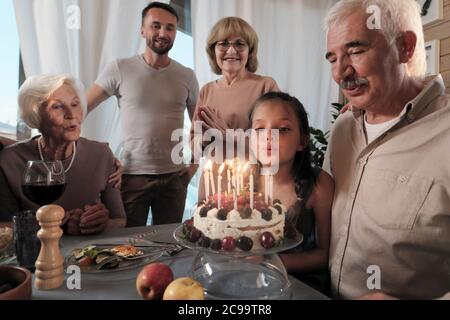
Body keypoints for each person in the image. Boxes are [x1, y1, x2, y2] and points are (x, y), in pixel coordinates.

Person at [323, 0, 450, 299]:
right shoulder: (342, 129)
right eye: (332, 58)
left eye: (355, 51)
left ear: (405, 47)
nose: (341, 73)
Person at [86, 2, 199, 227]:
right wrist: (102, 157)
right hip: (130, 176)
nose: (162, 33)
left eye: (170, 28)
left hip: (174, 179)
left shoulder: (186, 75)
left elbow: (199, 126)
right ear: (142, 30)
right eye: (155, 26)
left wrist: (193, 167)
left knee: (168, 246)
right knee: (126, 246)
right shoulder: (120, 68)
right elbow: (80, 108)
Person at [0, 74, 126, 235]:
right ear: (36, 115)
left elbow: (120, 220)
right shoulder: (9, 161)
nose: (71, 114)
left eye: (75, 104)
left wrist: (100, 223)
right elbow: (3, 227)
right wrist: (57, 226)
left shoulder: (101, 154)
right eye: (57, 106)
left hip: (88, 255)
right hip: (34, 255)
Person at [249, 92, 334, 293]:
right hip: (250, 281)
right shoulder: (243, 182)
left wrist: (269, 262)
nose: (269, 136)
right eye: (260, 129)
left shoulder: (319, 184)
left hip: (300, 287)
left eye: (283, 129)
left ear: (302, 142)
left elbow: (324, 255)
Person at [191, 16, 279, 200]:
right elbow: (194, 147)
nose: (231, 50)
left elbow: (274, 142)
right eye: (223, 43)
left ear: (250, 51)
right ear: (213, 50)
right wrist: (204, 139)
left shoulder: (265, 86)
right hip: (212, 184)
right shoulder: (206, 90)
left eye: (240, 44)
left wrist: (227, 136)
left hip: (250, 183)